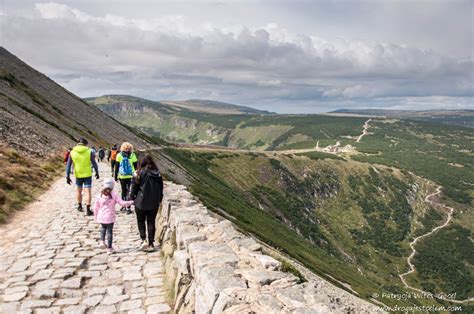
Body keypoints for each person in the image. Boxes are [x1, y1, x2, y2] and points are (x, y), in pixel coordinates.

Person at [129, 155, 164, 252]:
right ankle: (151, 243)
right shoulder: (157, 173)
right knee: (151, 221)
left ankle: (143, 239)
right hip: (154, 202)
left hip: (141, 202)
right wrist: (160, 199)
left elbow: (134, 188)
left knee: (140, 221)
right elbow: (161, 188)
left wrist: (131, 199)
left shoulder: (138, 173)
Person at [93, 178, 134, 254]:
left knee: (102, 228)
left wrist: (96, 216)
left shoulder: (99, 195)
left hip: (101, 217)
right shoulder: (114, 195)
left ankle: (102, 240)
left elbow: (95, 207)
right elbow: (122, 203)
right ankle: (109, 248)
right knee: (109, 232)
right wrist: (132, 202)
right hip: (110, 217)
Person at [66, 138, 99, 216]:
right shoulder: (89, 151)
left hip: (78, 174)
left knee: (78, 190)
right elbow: (94, 163)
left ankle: (80, 206)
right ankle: (88, 209)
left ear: (78, 143)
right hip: (87, 174)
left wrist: (67, 176)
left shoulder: (72, 152)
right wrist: (97, 172)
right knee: (88, 191)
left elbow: (68, 165)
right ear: (85, 144)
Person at [114, 142, 138, 214]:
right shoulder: (133, 155)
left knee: (123, 190)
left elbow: (117, 167)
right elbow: (136, 166)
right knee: (129, 191)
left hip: (122, 176)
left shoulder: (119, 155)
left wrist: (115, 176)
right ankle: (128, 208)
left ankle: (123, 206)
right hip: (131, 176)